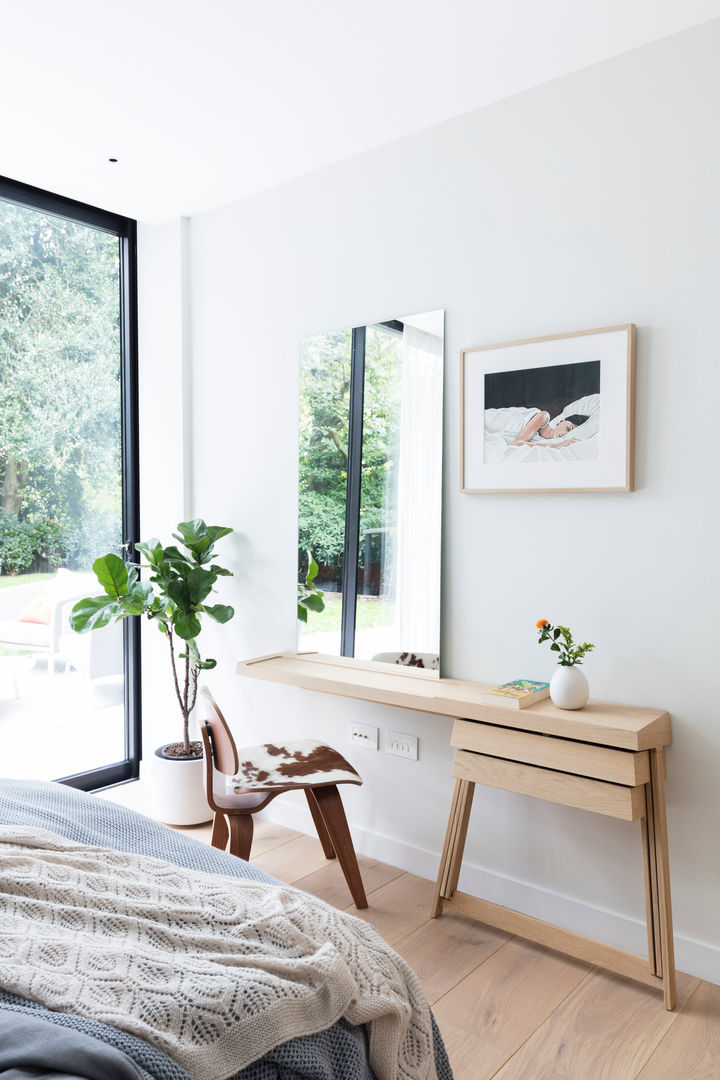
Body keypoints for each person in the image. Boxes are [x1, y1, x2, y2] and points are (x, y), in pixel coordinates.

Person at [511, 410, 589, 447]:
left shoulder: (541, 440)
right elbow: (517, 443)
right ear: (562, 421)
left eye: (569, 434)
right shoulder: (544, 416)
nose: (565, 434)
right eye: (568, 428)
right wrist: (556, 445)